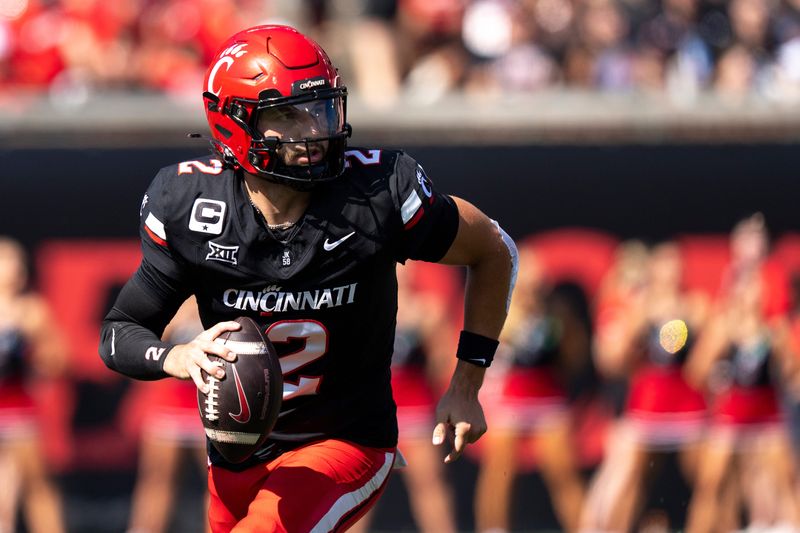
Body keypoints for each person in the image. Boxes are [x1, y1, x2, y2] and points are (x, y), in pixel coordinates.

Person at [98, 24, 517, 533]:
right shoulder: (191, 205)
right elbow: (120, 331)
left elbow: (493, 251)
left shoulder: (377, 192)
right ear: (234, 124)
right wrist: (177, 356)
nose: (313, 130)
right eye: (287, 116)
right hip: (236, 455)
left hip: (347, 442)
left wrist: (468, 382)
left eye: (319, 109)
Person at [475, 245, 587, 533]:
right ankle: (493, 529)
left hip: (548, 397)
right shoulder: (499, 307)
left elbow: (574, 358)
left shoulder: (556, 313)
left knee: (562, 471)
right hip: (509, 397)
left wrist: (564, 331)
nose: (534, 283)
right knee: (500, 471)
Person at [0, 237, 67, 533]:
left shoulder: (32, 310)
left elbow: (58, 361)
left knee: (35, 485)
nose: (10, 267)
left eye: (14, 260)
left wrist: (32, 352)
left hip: (17, 411)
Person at [126, 296, 208, 533]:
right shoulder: (166, 294)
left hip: (212, 407)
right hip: (168, 406)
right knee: (156, 482)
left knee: (217, 486)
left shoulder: (225, 293)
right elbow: (139, 346)